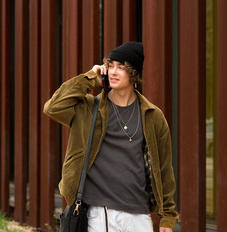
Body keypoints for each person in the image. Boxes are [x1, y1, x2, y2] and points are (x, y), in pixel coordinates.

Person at [44, 41, 178, 232]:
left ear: (134, 74)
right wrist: (90, 77)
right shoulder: (89, 108)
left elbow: (164, 170)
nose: (113, 72)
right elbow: (52, 107)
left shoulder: (153, 116)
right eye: (111, 65)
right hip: (100, 212)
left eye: (121, 67)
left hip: (140, 213)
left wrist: (167, 217)